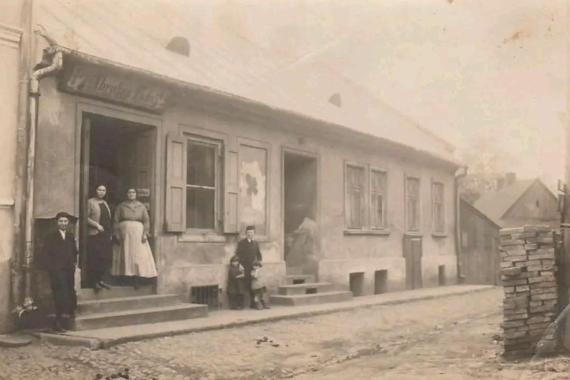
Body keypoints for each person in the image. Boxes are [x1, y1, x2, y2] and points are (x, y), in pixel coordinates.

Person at [111, 188, 157, 286]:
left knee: (138, 255)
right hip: (125, 233)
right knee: (126, 254)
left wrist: (145, 233)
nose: (131, 194)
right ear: (126, 194)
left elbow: (146, 220)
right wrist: (116, 233)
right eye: (129, 192)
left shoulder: (141, 206)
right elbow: (115, 220)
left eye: (133, 192)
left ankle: (138, 278)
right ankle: (126, 278)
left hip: (138, 233)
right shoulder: (121, 206)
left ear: (136, 194)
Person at [41, 212, 78, 332]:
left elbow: (74, 251)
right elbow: (45, 254)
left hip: (68, 270)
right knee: (59, 294)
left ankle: (68, 318)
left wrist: (73, 264)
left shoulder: (70, 236)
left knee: (69, 291)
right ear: (57, 223)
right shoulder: (51, 236)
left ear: (68, 223)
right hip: (57, 270)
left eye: (65, 221)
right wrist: (52, 268)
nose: (63, 223)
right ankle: (57, 322)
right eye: (61, 221)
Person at [86, 184, 113, 291]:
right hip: (95, 234)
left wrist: (110, 233)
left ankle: (100, 280)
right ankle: (93, 282)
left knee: (104, 258)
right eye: (99, 190)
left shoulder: (105, 203)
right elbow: (85, 217)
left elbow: (108, 219)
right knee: (95, 258)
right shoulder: (90, 202)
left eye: (103, 190)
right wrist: (96, 225)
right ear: (95, 191)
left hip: (105, 235)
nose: (101, 192)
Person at [235, 225, 262, 308]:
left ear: (254, 233)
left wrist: (258, 266)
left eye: (252, 232)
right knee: (242, 286)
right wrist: (240, 265)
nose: (250, 234)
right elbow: (238, 255)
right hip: (244, 268)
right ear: (246, 233)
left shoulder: (256, 243)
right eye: (248, 232)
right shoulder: (242, 243)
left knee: (253, 286)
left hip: (252, 269)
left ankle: (253, 304)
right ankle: (240, 305)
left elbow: (259, 255)